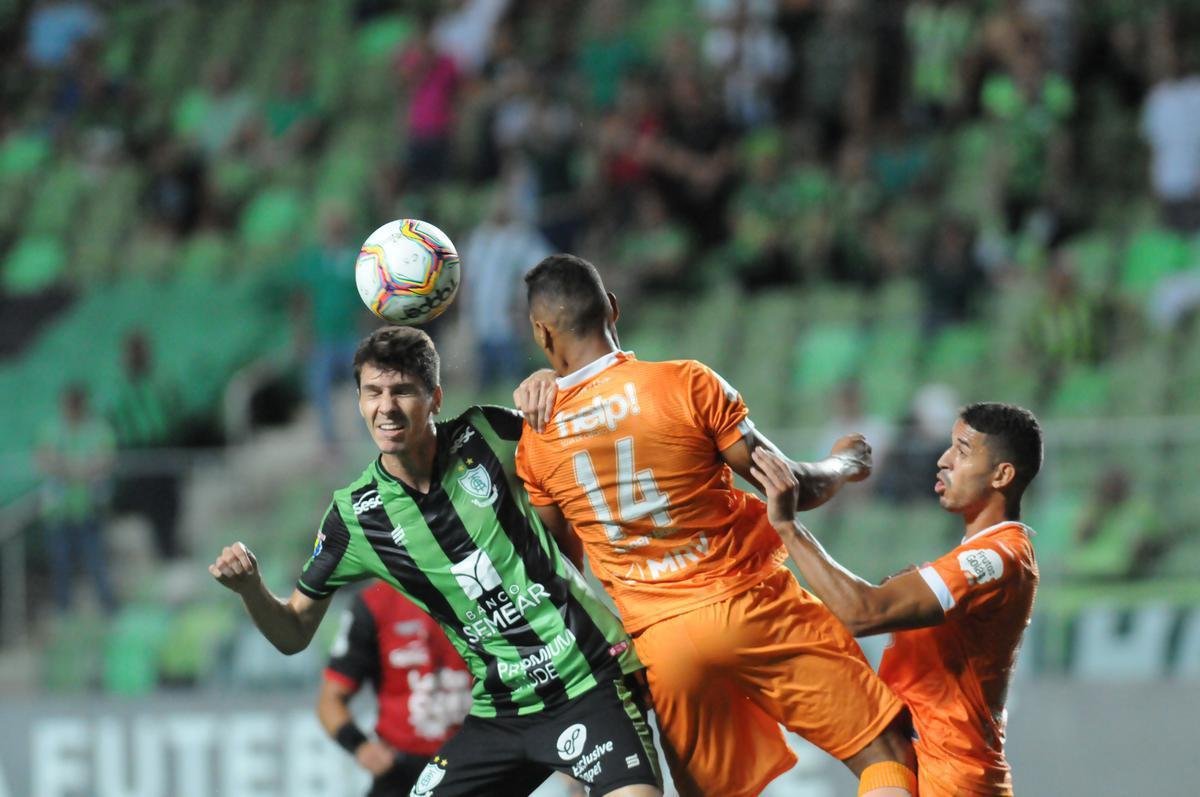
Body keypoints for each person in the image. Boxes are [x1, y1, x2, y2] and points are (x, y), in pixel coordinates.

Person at [513, 254, 916, 797]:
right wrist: (845, 463)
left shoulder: (536, 442)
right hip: (748, 603)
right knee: (886, 752)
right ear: (612, 309)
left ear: (541, 332)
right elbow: (790, 484)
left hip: (662, 645)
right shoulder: (686, 383)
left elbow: (561, 570)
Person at [210, 325, 661, 797]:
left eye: (403, 391)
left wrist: (554, 381)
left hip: (589, 678)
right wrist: (251, 590)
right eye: (373, 393)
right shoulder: (354, 516)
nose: (386, 407)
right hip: (501, 710)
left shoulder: (485, 432)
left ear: (436, 398)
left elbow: (587, 421)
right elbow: (292, 632)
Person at [750, 401, 1043, 796]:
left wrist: (787, 526)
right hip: (930, 771)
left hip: (956, 780)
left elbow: (863, 611)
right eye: (948, 447)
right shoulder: (976, 556)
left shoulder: (997, 557)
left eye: (962, 450)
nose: (943, 460)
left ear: (1002, 474)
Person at [317, 581, 472, 796]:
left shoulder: (481, 595)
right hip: (400, 772)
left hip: (475, 767)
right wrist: (361, 746)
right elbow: (330, 700)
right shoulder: (374, 603)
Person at [36, 383, 118, 614]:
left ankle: (108, 608)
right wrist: (79, 469)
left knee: (97, 563)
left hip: (89, 508)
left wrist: (67, 467)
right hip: (58, 511)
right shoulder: (51, 429)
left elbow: (105, 460)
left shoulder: (97, 429)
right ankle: (64, 611)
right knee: (61, 565)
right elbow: (45, 460)